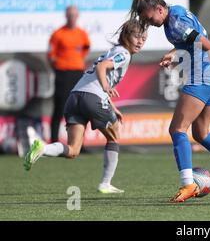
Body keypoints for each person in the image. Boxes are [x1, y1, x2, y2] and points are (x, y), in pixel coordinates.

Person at [129, 0, 210, 202]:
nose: (150, 23)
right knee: (202, 133)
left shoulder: (175, 23)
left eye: (149, 19)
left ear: (159, 9)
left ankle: (188, 184)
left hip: (202, 78)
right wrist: (173, 53)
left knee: (177, 129)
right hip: (209, 79)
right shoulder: (176, 12)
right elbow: (191, 44)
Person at [24, 19, 147, 194]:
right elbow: (103, 68)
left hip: (74, 98)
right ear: (126, 36)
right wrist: (105, 87)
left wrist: (112, 105)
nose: (141, 41)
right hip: (92, 98)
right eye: (137, 36)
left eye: (144, 38)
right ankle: (105, 184)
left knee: (74, 150)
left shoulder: (111, 51)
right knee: (114, 135)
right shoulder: (124, 53)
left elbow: (96, 75)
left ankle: (43, 148)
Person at [48, 5, 90, 143]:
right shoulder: (58, 34)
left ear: (77, 16)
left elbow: (85, 49)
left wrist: (76, 61)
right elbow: (50, 55)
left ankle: (79, 144)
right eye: (70, 15)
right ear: (66, 16)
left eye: (74, 15)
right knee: (60, 108)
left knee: (79, 109)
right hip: (62, 74)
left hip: (77, 73)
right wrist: (60, 66)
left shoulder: (82, 34)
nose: (72, 17)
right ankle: (54, 141)